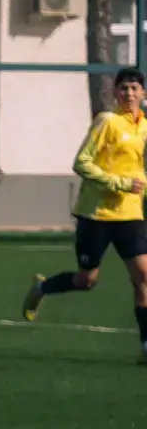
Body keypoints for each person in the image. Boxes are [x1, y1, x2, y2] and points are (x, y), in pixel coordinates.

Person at [22, 67, 147, 360]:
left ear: (143, 93)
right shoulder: (107, 121)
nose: (129, 93)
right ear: (115, 92)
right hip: (96, 215)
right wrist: (119, 183)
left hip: (130, 214)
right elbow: (82, 162)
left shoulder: (144, 126)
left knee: (143, 278)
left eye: (134, 88)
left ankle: (145, 345)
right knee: (86, 280)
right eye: (124, 88)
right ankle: (42, 287)